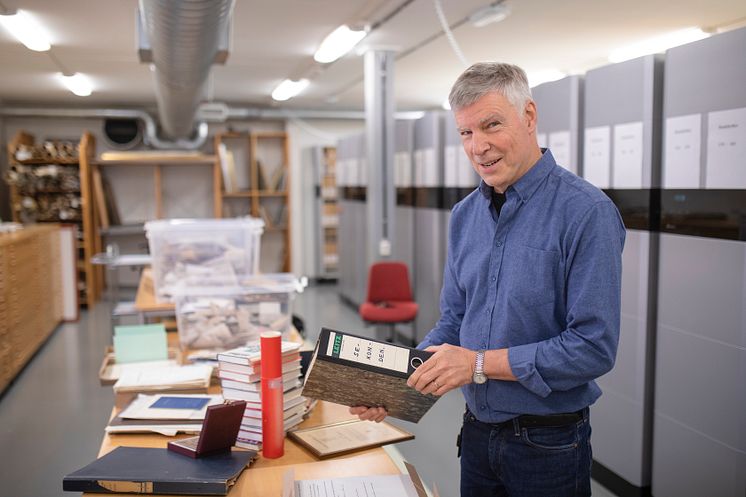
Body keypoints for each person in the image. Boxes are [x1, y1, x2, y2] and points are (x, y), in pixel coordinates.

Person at [351, 62, 626, 497]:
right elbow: (454, 323)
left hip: (548, 444)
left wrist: (477, 364)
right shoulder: (465, 216)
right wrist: (396, 388)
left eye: (491, 125)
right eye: (465, 133)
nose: (478, 146)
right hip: (477, 435)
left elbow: (592, 348)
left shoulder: (586, 212)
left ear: (529, 117)